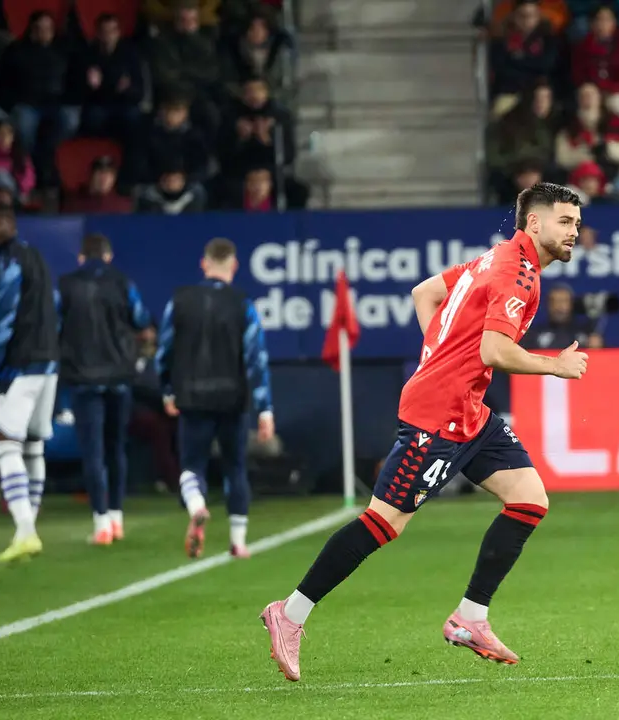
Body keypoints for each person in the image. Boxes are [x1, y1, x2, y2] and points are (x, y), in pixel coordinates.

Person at [259, 183, 588, 681]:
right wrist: (555, 366)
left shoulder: (496, 258)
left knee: (529, 498)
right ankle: (289, 614)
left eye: (577, 224)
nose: (574, 233)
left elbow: (425, 293)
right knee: (385, 522)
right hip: (437, 417)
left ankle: (470, 618)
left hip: (469, 409)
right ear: (535, 223)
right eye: (565, 222)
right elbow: (495, 352)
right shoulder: (517, 274)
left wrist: (440, 354)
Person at [157, 238, 274, 559]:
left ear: (203, 263)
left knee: (191, 465)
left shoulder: (179, 301)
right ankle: (238, 542)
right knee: (235, 467)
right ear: (234, 266)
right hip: (232, 398)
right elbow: (256, 358)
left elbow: (163, 351)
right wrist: (265, 410)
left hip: (191, 397)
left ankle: (197, 506)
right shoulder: (242, 304)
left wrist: (167, 389)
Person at [58, 234, 151, 545]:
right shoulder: (122, 282)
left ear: (81, 257)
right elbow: (140, 318)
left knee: (93, 451)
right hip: (118, 377)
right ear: (108, 256)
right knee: (115, 447)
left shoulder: (66, 284)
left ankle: (101, 523)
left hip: (83, 377)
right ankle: (117, 518)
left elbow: (55, 325)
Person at [0, 208, 60, 563]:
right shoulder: (36, 257)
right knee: (32, 443)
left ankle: (26, 530)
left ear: (9, 228)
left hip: (22, 362)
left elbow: (5, 318)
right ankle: (31, 517)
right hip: (48, 361)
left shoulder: (10, 260)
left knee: (5, 443)